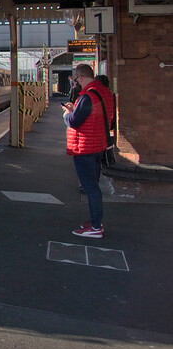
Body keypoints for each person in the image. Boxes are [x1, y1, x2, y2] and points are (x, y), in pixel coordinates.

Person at [61, 64, 115, 238]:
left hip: (86, 148)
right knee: (93, 186)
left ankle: (95, 227)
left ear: (81, 77)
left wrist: (66, 115)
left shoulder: (87, 96)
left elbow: (74, 121)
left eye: (76, 79)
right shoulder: (104, 93)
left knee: (90, 188)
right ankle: (95, 222)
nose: (76, 83)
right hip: (98, 145)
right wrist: (74, 110)